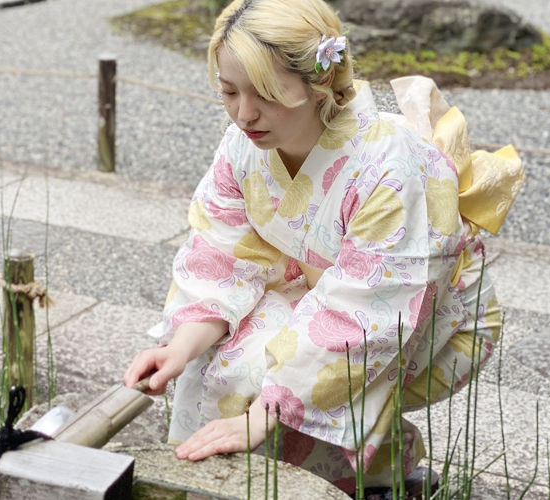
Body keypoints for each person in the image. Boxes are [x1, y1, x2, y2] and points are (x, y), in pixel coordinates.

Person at [122, 0, 525, 497]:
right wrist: (178, 347)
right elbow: (221, 254)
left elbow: (371, 309)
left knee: (259, 366)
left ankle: (345, 480)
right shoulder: (242, 146)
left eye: (265, 95)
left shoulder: (390, 165)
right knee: (209, 354)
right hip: (324, 287)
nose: (244, 113)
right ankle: (352, 471)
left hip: (423, 311)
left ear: (319, 84)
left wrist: (269, 410)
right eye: (229, 92)